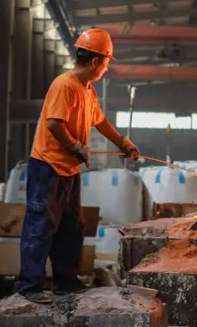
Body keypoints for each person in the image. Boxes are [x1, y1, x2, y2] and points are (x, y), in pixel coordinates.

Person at [17, 29, 140, 304]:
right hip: (47, 167)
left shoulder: (88, 91)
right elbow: (53, 123)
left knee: (71, 228)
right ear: (95, 62)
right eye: (107, 62)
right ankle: (29, 286)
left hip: (69, 171)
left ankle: (65, 282)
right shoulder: (65, 85)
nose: (107, 68)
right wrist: (74, 146)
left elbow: (100, 121)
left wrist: (122, 142)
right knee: (40, 226)